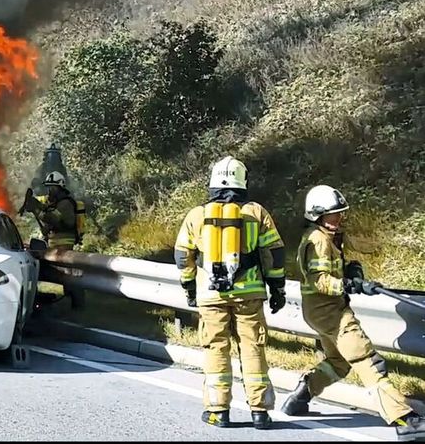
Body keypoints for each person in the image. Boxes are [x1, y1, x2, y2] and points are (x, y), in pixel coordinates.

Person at [281, 185, 425, 441]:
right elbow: (319, 280)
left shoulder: (327, 236)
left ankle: (302, 395)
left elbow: (334, 271)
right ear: (317, 215)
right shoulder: (318, 240)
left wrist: (353, 274)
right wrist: (347, 285)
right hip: (330, 312)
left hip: (320, 310)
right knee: (368, 361)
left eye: (339, 214)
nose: (338, 219)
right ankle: (405, 420)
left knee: (339, 362)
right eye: (331, 215)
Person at [174, 156, 287, 429]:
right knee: (252, 349)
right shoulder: (256, 212)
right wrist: (277, 287)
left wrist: (190, 287)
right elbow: (275, 253)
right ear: (243, 181)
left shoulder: (196, 215)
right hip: (249, 295)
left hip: (211, 296)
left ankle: (218, 411)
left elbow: (182, 257)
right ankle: (260, 412)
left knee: (216, 349)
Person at [22, 171, 85, 309]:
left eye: (53, 188)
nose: (50, 190)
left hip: (64, 244)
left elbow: (56, 219)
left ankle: (77, 302)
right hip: (55, 245)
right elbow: (49, 214)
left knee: (66, 275)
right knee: (62, 274)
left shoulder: (65, 204)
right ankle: (73, 300)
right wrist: (34, 204)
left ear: (60, 187)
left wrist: (38, 211)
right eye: (49, 187)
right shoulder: (56, 203)